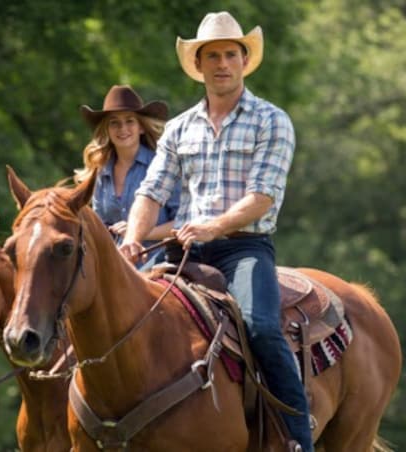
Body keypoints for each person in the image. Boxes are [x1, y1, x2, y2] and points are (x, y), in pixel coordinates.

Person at [119, 11, 313, 452]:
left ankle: (297, 438)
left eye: (230, 54)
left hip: (242, 248)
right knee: (124, 314)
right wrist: (134, 236)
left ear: (244, 61)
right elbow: (151, 192)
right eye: (212, 56)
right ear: (199, 66)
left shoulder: (271, 120)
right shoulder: (179, 129)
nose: (222, 63)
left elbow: (262, 197)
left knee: (261, 327)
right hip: (183, 249)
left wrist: (214, 226)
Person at [75, 85, 180, 269]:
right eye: (114, 122)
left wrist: (138, 232)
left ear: (141, 127)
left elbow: (182, 223)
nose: (122, 128)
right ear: (106, 129)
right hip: (115, 266)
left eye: (129, 121)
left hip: (159, 262)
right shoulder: (100, 172)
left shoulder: (163, 165)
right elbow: (99, 228)